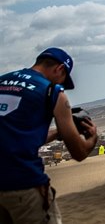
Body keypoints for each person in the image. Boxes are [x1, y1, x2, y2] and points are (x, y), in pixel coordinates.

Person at [0, 47, 98, 223]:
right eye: (63, 80)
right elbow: (79, 153)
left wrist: (56, 133)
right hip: (24, 186)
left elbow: (18, 137)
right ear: (60, 69)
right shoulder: (52, 92)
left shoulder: (3, 81)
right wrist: (92, 139)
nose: (62, 86)